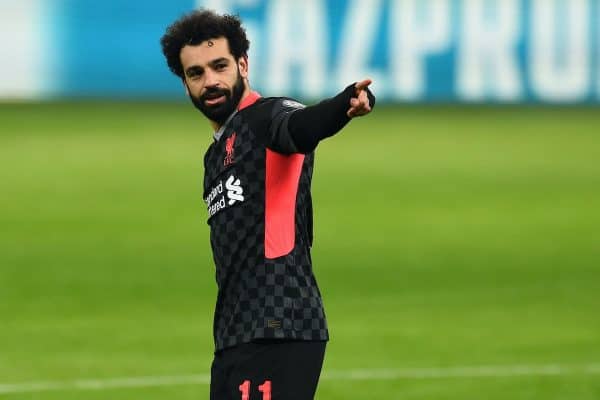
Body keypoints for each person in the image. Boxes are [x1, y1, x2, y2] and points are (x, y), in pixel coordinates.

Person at [160, 9, 375, 400]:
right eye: (196, 73)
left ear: (243, 64)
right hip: (234, 336)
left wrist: (345, 104)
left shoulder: (267, 117)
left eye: (219, 66)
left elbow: (303, 126)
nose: (210, 81)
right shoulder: (215, 157)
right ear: (185, 84)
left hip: (280, 326)